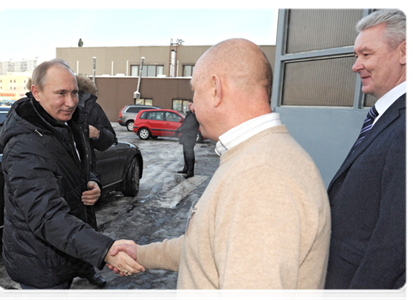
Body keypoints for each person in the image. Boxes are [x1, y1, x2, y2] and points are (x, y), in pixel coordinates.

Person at [109, 38, 331, 299]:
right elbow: (207, 247)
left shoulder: (261, 176)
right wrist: (142, 254)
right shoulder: (253, 159)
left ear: (216, 89)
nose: (192, 103)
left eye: (195, 91)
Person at [0, 59, 144, 299]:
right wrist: (105, 249)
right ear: (36, 92)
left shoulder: (66, 124)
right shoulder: (25, 145)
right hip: (40, 262)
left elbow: (80, 166)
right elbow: (46, 216)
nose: (71, 101)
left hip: (65, 252)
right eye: (61, 93)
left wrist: (93, 182)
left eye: (74, 92)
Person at [323, 9, 410, 300]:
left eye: (366, 54)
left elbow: (395, 243)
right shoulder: (387, 117)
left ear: (405, 51)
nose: (355, 65)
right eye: (355, 56)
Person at [74, 75, 117, 287]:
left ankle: (87, 268)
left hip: (85, 175)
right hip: (59, 178)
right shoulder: (42, 108)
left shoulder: (90, 106)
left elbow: (110, 138)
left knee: (86, 226)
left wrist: (97, 132)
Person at [175, 100, 199, 178]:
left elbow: (189, 126)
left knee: (190, 155)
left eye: (190, 105)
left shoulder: (195, 115)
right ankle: (186, 169)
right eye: (188, 105)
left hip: (190, 138)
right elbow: (184, 124)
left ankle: (190, 172)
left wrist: (180, 130)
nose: (189, 106)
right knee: (185, 154)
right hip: (185, 137)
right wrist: (178, 129)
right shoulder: (188, 115)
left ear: (194, 106)